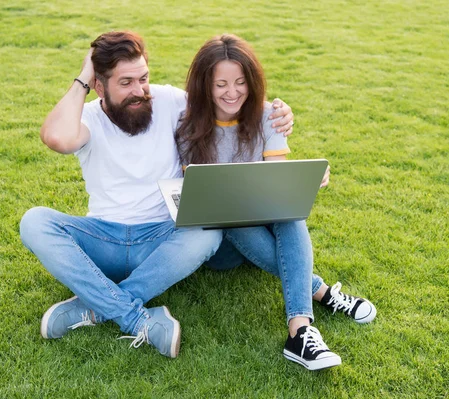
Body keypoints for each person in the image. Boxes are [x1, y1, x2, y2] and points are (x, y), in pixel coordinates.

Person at [19, 31, 295, 359]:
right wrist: (82, 77)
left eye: (143, 78)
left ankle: (96, 306)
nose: (139, 90)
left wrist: (276, 111)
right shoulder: (88, 119)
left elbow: (227, 100)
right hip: (103, 241)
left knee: (207, 232)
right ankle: (136, 318)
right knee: (34, 221)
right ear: (99, 84)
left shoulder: (166, 100)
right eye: (126, 82)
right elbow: (56, 137)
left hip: (163, 241)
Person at [175, 34, 377, 370]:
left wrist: (304, 182)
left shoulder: (270, 116)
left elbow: (276, 186)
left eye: (240, 82)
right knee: (227, 216)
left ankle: (300, 333)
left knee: (290, 214)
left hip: (260, 224)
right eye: (220, 84)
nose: (231, 92)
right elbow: (201, 202)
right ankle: (322, 291)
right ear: (204, 85)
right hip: (221, 242)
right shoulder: (188, 126)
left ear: (252, 82)